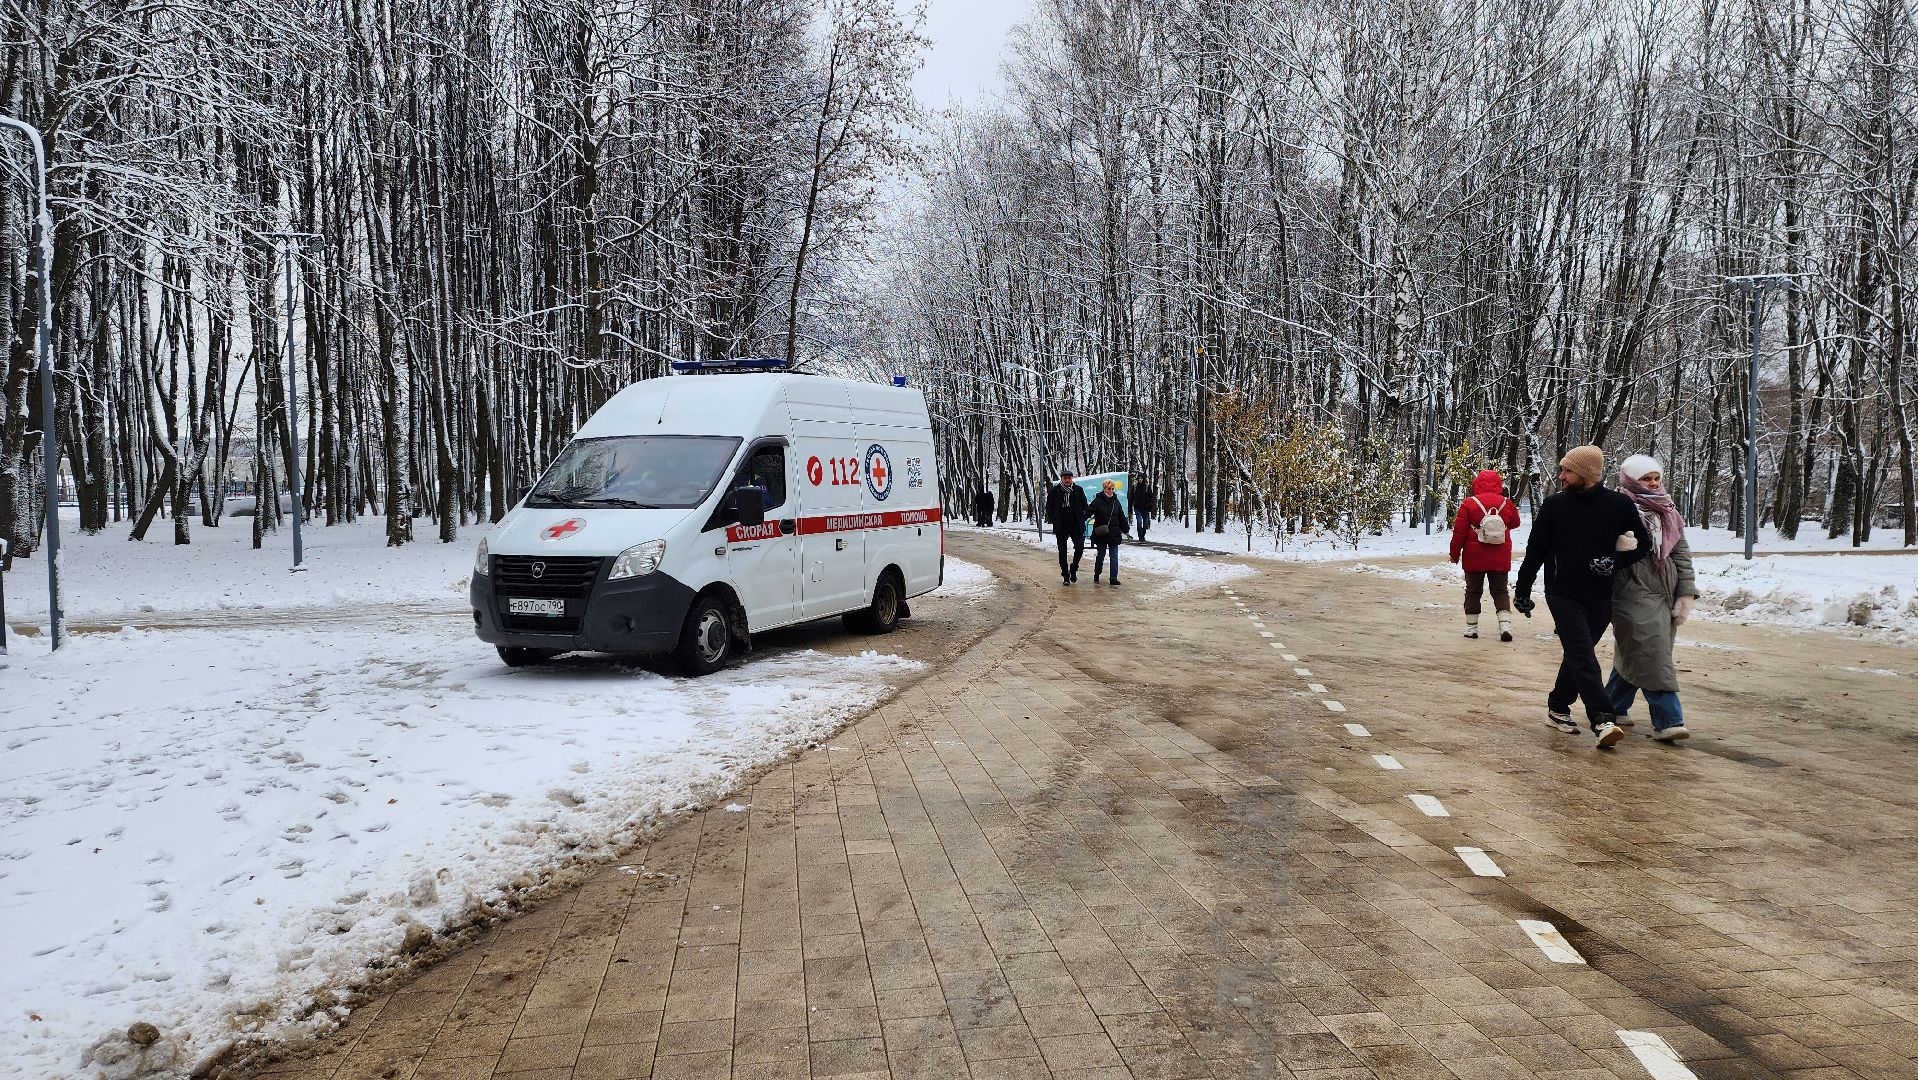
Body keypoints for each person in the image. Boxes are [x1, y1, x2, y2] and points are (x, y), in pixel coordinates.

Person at [1514, 445, 1652, 747]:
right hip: (1562, 593)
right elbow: (1535, 550)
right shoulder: (1554, 506)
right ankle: (1602, 718)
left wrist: (1614, 562)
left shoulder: (1618, 505)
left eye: (1568, 470)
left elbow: (1643, 544)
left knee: (1579, 655)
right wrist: (1522, 590)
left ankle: (1558, 706)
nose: (1561, 475)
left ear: (1586, 474)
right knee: (1582, 655)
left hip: (1601, 595)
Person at [1607, 454, 1698, 742]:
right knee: (1651, 650)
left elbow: (1681, 554)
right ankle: (1669, 720)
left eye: (1656, 477)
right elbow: (1594, 542)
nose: (1653, 483)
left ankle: (1611, 707)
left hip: (1665, 588)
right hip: (1629, 587)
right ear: (1631, 480)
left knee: (1639, 649)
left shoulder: (1668, 509)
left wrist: (1685, 590)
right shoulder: (1616, 507)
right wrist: (1617, 545)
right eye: (1646, 478)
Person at [1449, 469, 1521, 641]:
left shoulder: (1469, 503)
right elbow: (1516, 523)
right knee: (1501, 591)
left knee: (1473, 591)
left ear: (1476, 485)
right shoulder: (1506, 502)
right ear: (1498, 484)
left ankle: (1471, 628)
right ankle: (1505, 626)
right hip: (1500, 555)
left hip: (1474, 557)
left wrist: (1454, 554)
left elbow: (1459, 532)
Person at [1044, 470, 1090, 584]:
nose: (1067, 480)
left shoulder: (1078, 490)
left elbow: (1085, 506)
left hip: (1076, 525)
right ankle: (1065, 575)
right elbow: (1049, 507)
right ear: (1062, 479)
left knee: (1080, 548)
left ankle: (1073, 569)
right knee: (1062, 551)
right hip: (1061, 525)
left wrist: (1082, 517)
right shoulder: (1055, 491)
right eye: (1065, 478)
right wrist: (1054, 518)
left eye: (1069, 478)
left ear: (1072, 479)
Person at [1088, 479, 1129, 585]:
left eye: (1112, 489)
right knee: (1101, 555)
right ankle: (1097, 574)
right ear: (1104, 489)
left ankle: (1113, 578)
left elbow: (1121, 516)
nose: (1110, 491)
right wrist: (1079, 522)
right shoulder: (1097, 501)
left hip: (1114, 533)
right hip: (1101, 534)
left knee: (1114, 556)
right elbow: (1088, 512)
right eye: (1108, 489)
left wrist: (1126, 529)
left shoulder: (1116, 501)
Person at [1131, 477, 1156, 542]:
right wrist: (1130, 508)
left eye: (1142, 478)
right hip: (1137, 508)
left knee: (1145, 524)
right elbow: (1131, 498)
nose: (1140, 479)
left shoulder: (1147, 487)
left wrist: (1150, 505)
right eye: (1139, 478)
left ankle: (1143, 535)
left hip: (1145, 508)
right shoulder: (1134, 487)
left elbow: (1151, 497)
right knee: (1139, 522)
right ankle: (1141, 538)